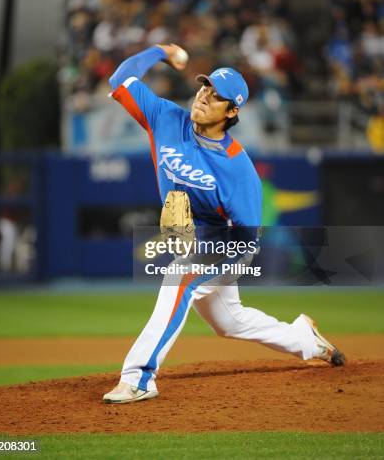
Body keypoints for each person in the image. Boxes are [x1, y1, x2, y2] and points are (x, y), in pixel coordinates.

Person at [103, 44, 345, 404]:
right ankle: (305, 339)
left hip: (230, 242)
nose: (204, 96)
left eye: (216, 97)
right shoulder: (165, 118)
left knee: (179, 280)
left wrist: (204, 249)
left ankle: (139, 377)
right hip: (195, 238)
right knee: (230, 321)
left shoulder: (238, 169)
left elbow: (248, 235)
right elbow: (121, 78)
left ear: (232, 112)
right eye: (204, 87)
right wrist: (161, 50)